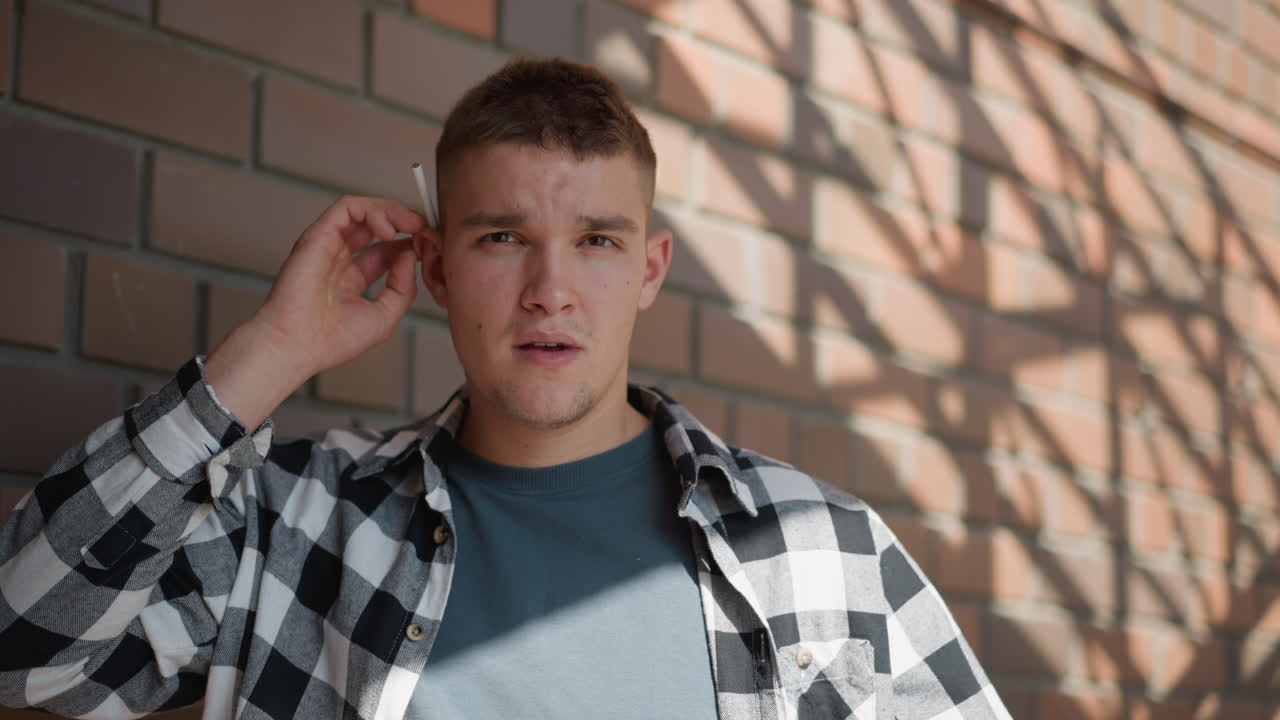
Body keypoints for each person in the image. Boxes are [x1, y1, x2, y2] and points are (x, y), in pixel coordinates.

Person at [0, 58, 1009, 720]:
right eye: (500, 239)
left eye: (597, 242)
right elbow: (23, 648)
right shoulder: (297, 521)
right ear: (435, 268)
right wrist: (270, 349)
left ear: (649, 269)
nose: (550, 291)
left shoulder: (819, 554)